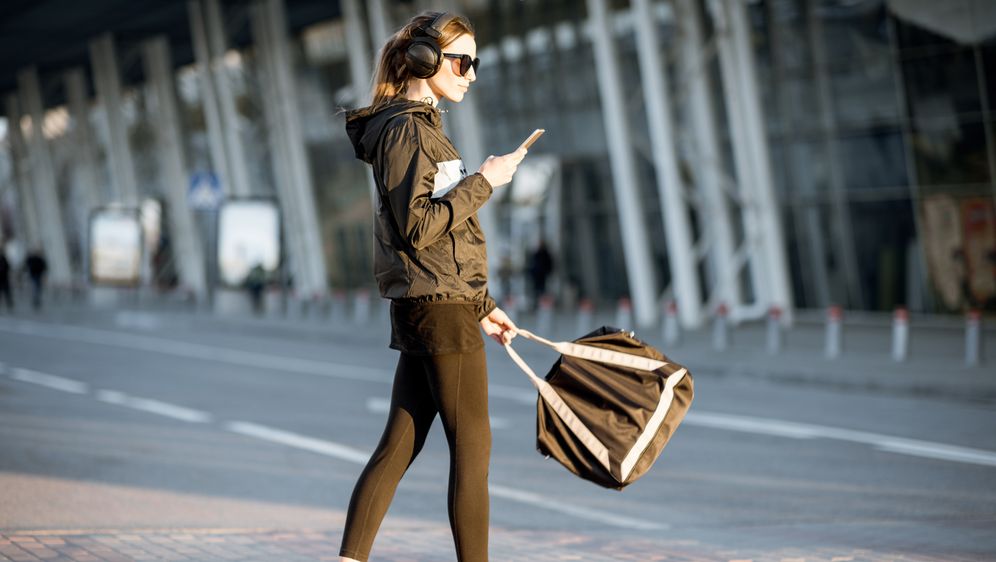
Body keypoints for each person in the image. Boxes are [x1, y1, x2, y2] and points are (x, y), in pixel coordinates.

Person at [342, 11, 523, 562]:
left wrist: (485, 306)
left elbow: (445, 243)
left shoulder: (419, 127)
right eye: (462, 61)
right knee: (473, 450)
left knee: (400, 443)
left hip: (441, 302)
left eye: (475, 62)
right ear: (425, 60)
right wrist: (484, 182)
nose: (471, 73)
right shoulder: (405, 130)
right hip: (437, 309)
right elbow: (420, 227)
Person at [0, 244, 12, 311]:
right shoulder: (4, 258)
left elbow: (7, 266)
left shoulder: (4, 258)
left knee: (6, 291)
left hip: (4, 278)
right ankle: (9, 302)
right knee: (6, 291)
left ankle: (9, 302)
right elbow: (8, 267)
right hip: (4, 278)